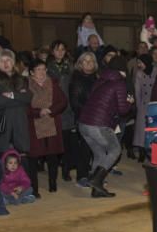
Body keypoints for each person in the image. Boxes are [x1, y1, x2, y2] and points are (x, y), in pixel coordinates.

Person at [77, 58, 133, 197]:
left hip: (84, 123)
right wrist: (130, 102)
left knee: (100, 154)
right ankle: (96, 180)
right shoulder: (119, 83)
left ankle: (97, 190)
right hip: (99, 125)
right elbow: (122, 110)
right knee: (115, 150)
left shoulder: (101, 79)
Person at [26, 59, 67, 195]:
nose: (42, 72)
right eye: (38, 70)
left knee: (52, 156)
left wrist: (51, 110)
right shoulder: (26, 86)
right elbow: (23, 106)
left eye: (44, 69)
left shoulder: (52, 84)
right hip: (34, 125)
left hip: (51, 123)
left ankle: (53, 183)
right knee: (33, 157)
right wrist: (38, 112)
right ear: (31, 72)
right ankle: (34, 188)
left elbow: (63, 101)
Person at [0, 49, 32, 158]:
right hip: (2, 127)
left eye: (8, 60)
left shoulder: (22, 79)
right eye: (2, 61)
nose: (5, 64)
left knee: (21, 165)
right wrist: (19, 97)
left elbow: (28, 98)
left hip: (19, 126)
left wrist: (12, 95)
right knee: (2, 164)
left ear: (13, 62)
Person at [67, 52, 99, 187]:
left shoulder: (97, 78)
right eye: (85, 61)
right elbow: (75, 103)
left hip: (98, 118)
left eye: (91, 61)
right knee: (84, 148)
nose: (88, 64)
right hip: (84, 117)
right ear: (80, 64)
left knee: (97, 148)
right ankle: (82, 176)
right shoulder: (76, 79)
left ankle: (96, 175)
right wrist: (92, 110)